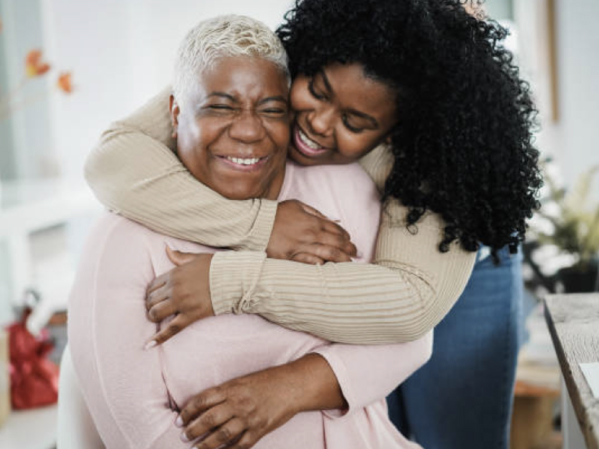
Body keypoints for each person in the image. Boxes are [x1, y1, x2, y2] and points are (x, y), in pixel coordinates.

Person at [83, 0, 542, 447]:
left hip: (445, 273)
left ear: (398, 130)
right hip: (355, 251)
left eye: (354, 121)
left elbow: (409, 308)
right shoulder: (286, 62)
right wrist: (260, 226)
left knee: (458, 435)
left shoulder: (439, 151)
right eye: (317, 91)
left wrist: (230, 281)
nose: (317, 123)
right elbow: (111, 158)